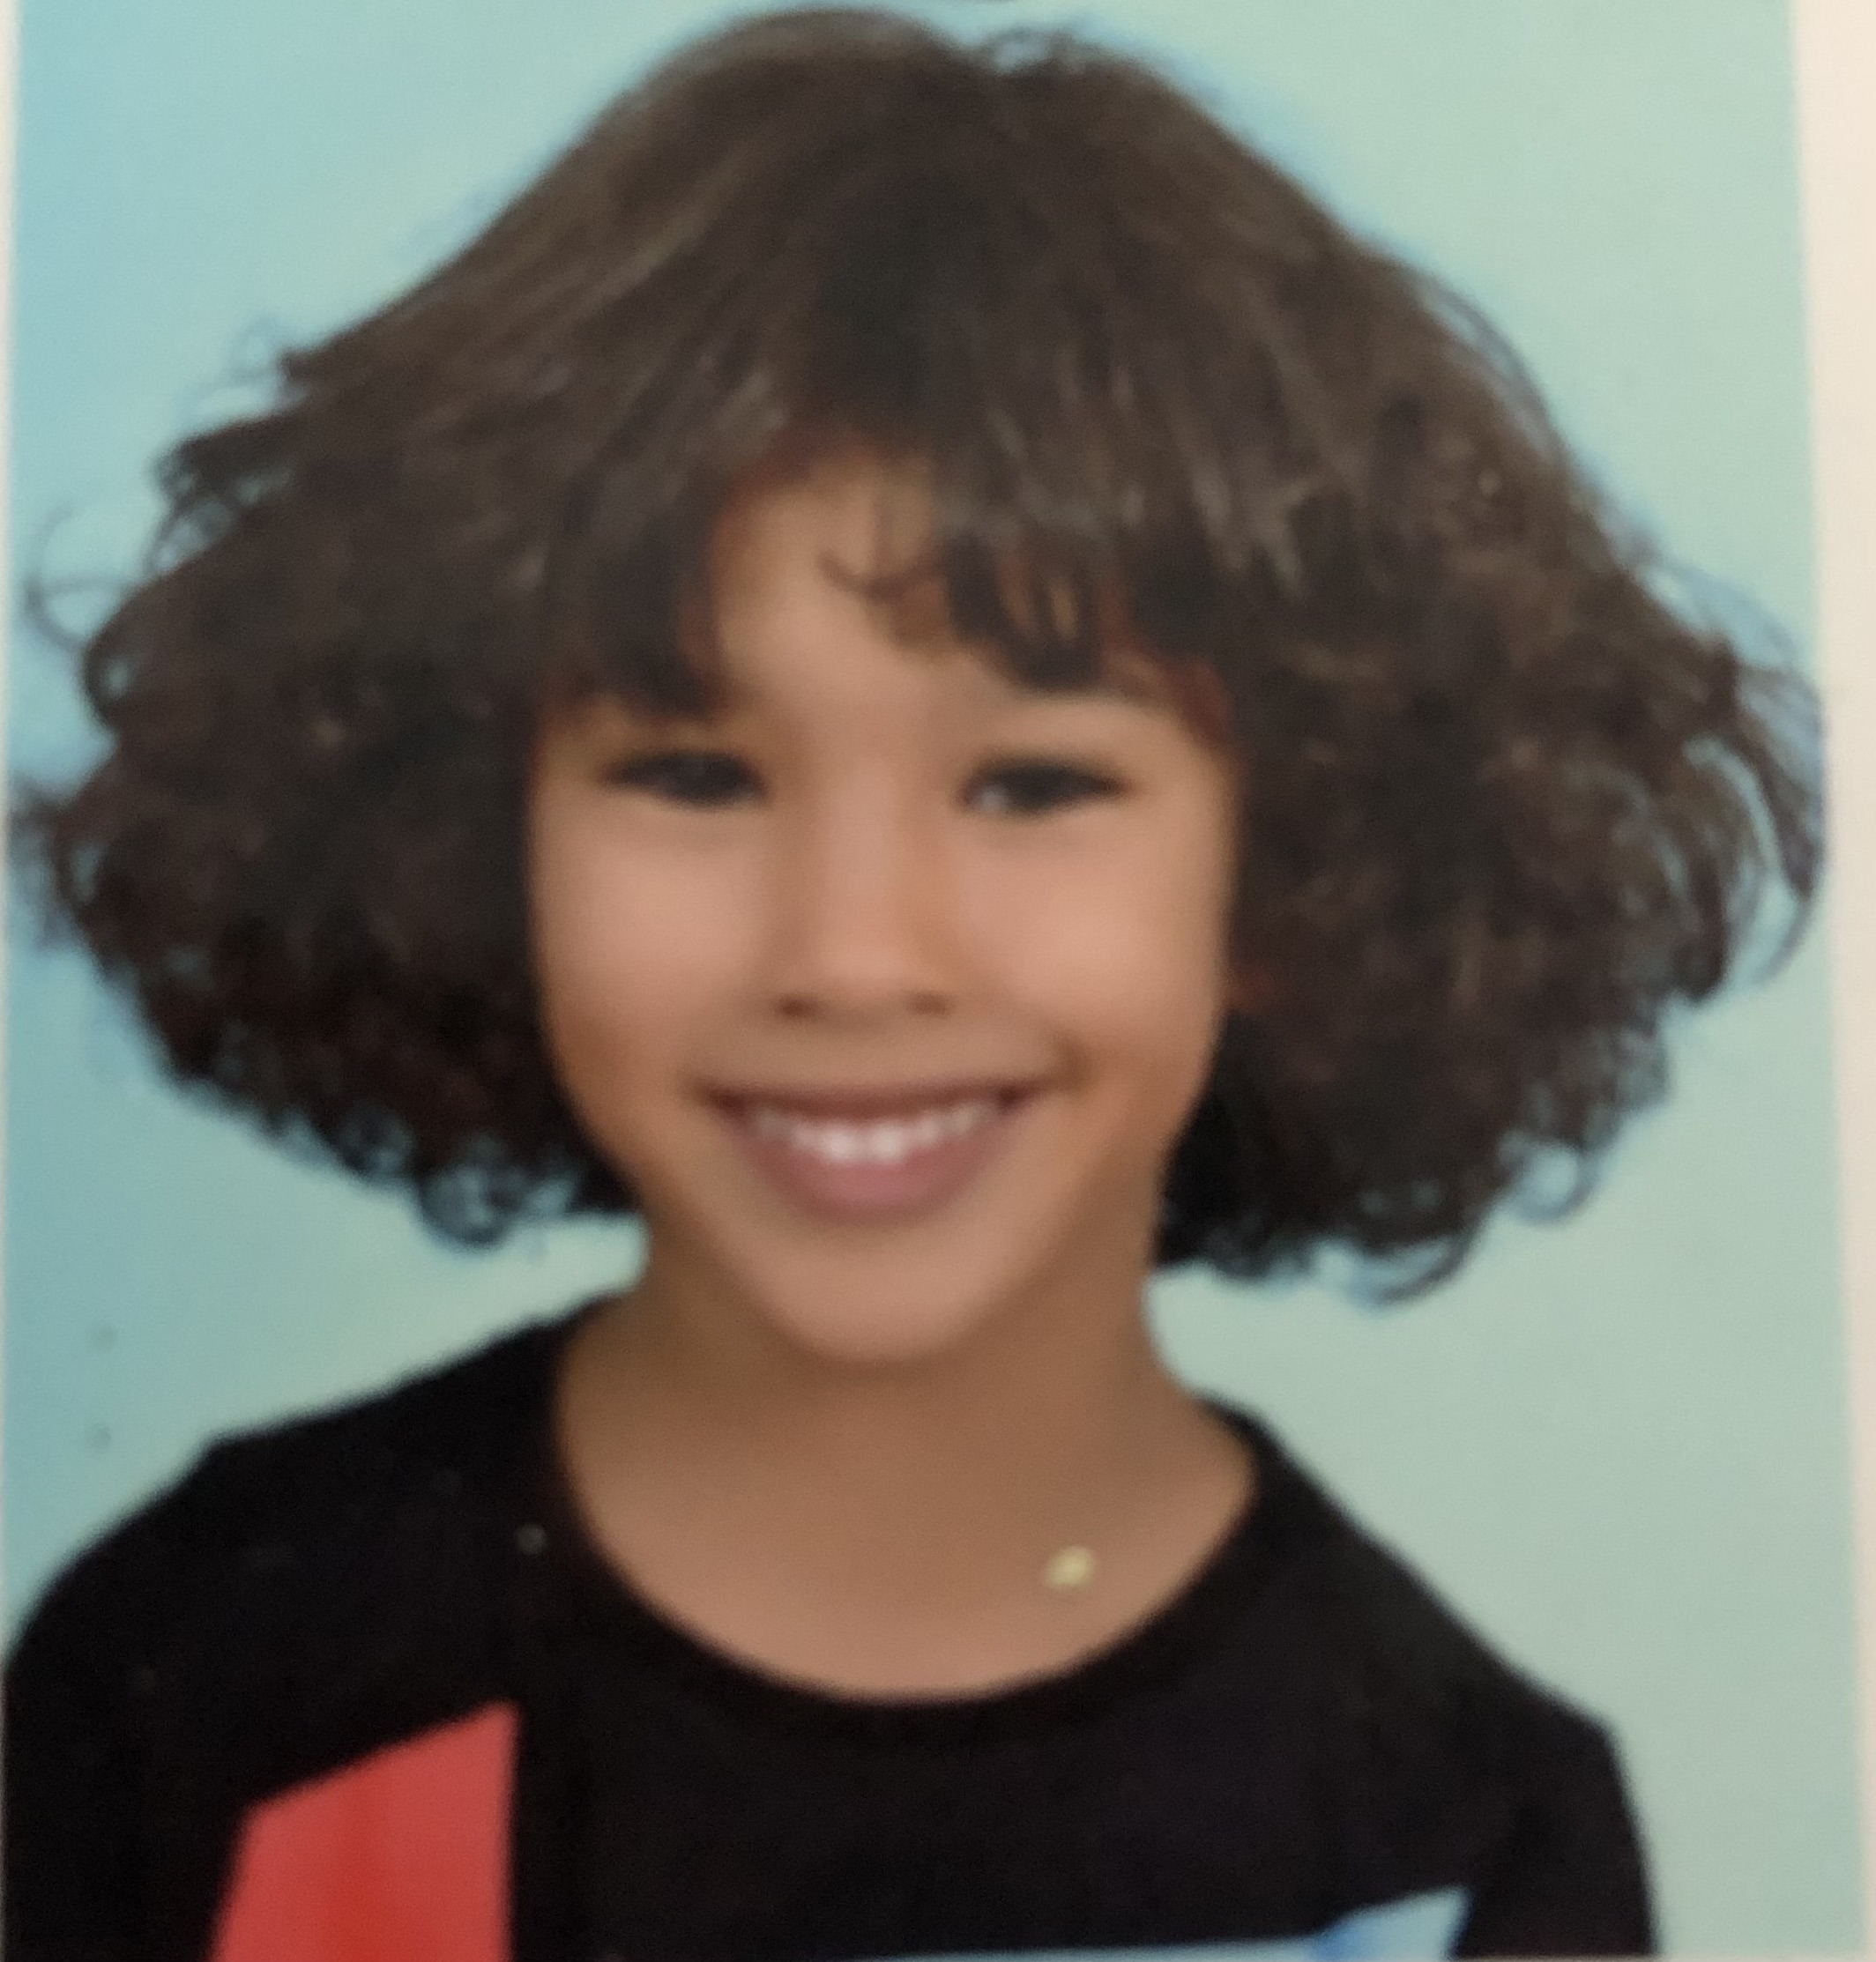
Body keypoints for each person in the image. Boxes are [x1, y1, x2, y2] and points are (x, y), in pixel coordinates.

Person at [3, 8, 1821, 1958]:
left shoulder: (1448, 1839)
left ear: (1295, 869)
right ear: (471, 839)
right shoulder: (201, 1685)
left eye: (1032, 783)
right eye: (693, 774)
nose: (852, 954)